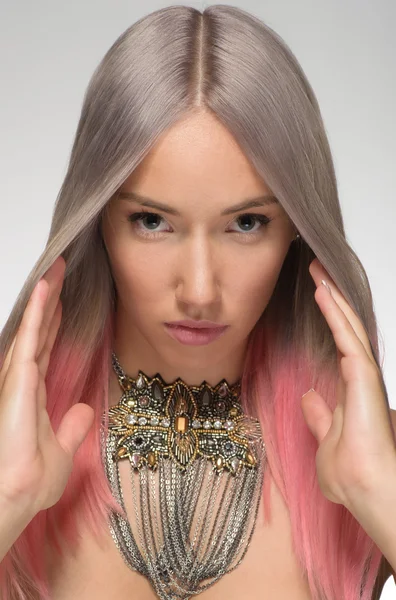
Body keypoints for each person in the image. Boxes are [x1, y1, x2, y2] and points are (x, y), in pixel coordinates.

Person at [0, 4, 394, 599]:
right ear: (96, 219)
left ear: (297, 230)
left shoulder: (373, 458)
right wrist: (5, 498)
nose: (201, 289)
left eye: (247, 223)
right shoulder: (8, 449)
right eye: (152, 220)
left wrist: (379, 493)